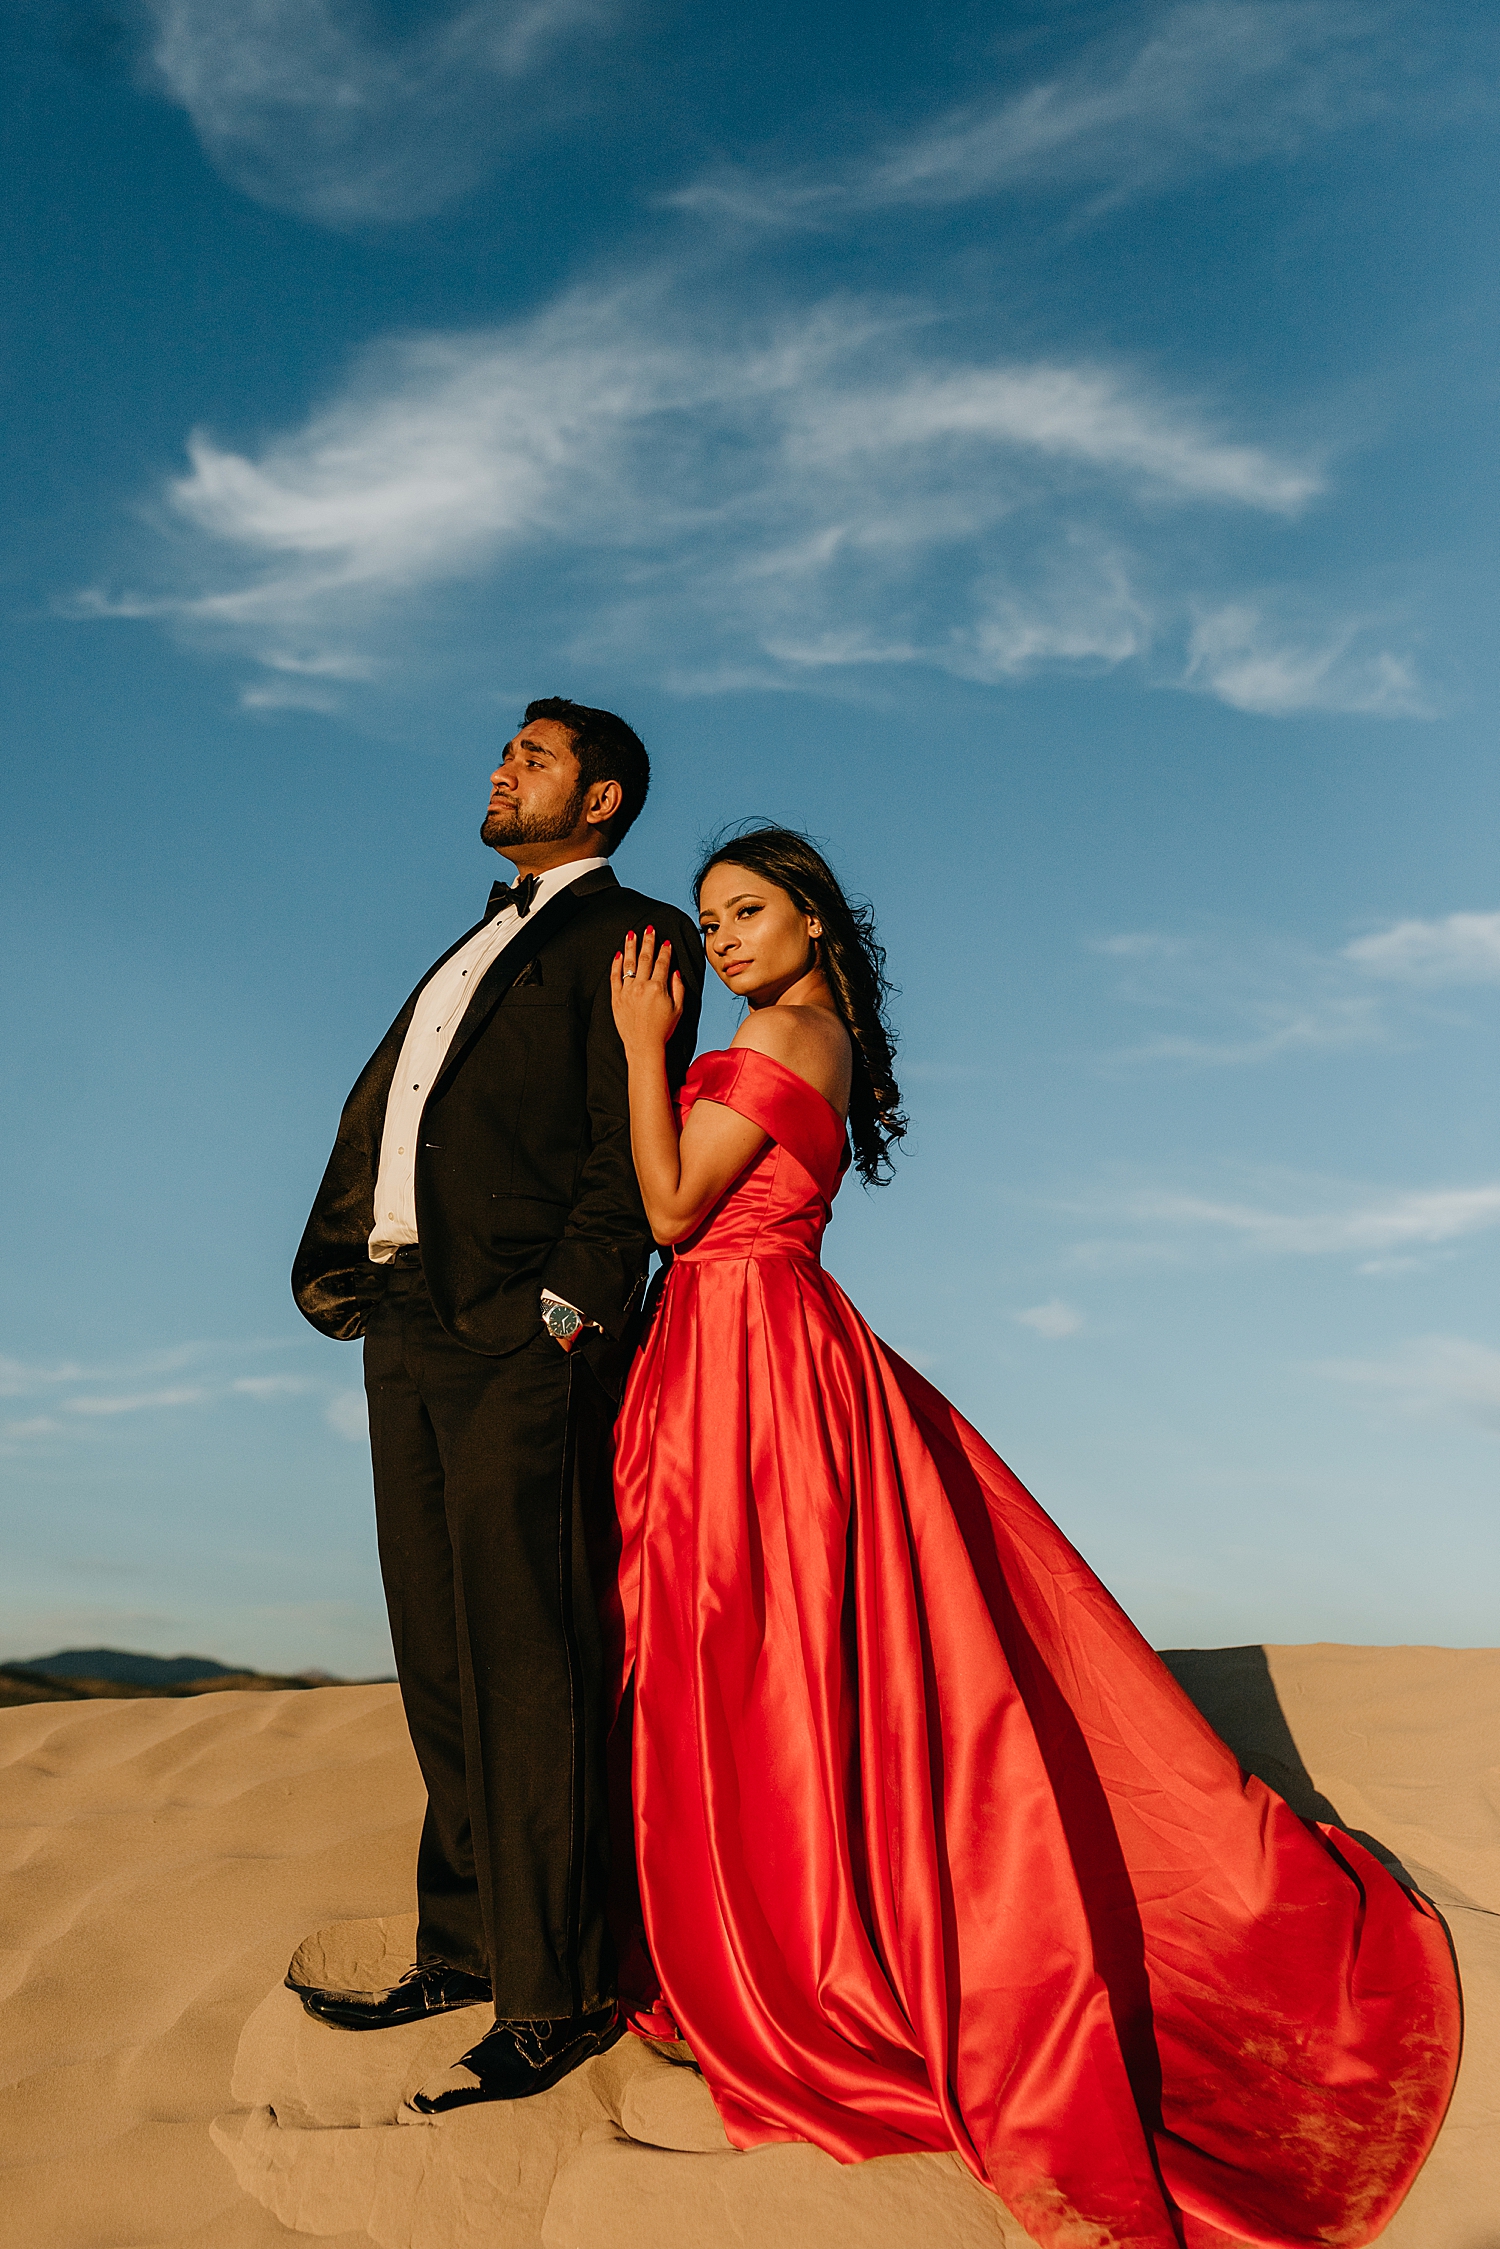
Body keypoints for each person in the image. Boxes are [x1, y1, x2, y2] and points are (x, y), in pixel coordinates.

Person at [605, 826, 1459, 2249]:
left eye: (747, 912)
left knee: (765, 1655)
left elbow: (672, 1205)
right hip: (738, 1354)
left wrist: (644, 1045)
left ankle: (801, 1963)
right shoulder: (803, 1026)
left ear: (811, 921)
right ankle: (747, 1937)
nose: (722, 941)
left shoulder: (788, 1029)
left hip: (751, 1354)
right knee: (760, 1654)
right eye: (708, 923)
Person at [288, 699, 702, 2110]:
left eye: (531, 755)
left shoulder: (634, 935)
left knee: (529, 1663)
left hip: (518, 1335)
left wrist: (566, 1318)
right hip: (405, 1321)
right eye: (504, 749)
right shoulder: (480, 933)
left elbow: (614, 1149)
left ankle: (559, 1988)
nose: (499, 766)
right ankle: (465, 1945)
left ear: (601, 800)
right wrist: (346, 1266)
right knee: (441, 1655)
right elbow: (398, 1105)